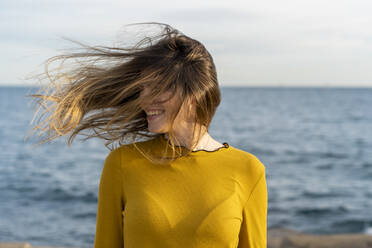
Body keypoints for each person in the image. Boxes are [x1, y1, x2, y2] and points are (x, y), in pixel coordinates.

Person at [27, 22, 268, 248]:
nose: (143, 98)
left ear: (193, 93)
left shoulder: (247, 170)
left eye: (157, 87)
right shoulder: (123, 164)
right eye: (143, 88)